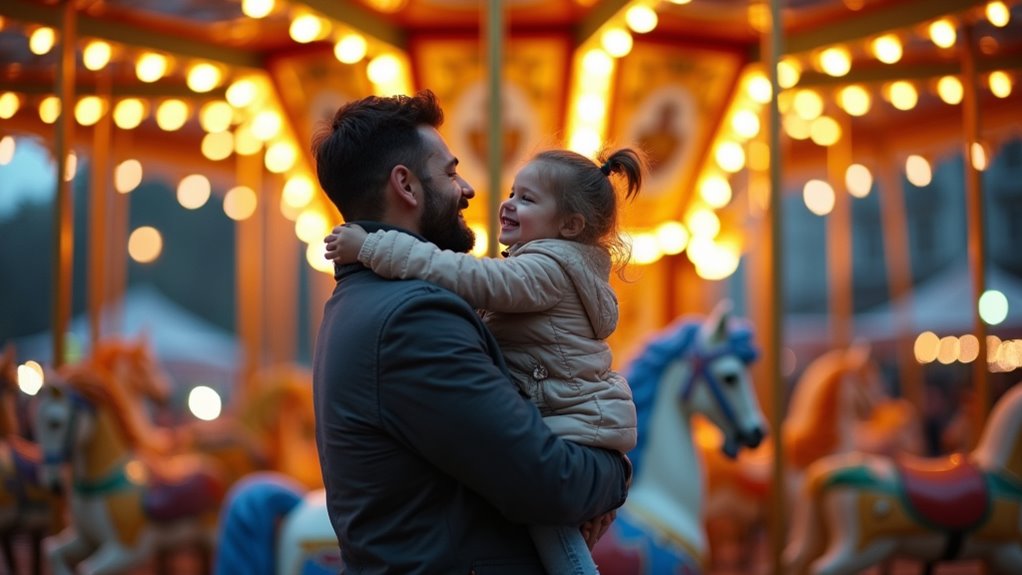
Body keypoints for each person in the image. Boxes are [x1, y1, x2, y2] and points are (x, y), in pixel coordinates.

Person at [311, 89, 631, 575]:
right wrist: (614, 473)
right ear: (406, 185)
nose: (469, 190)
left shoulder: (364, 302)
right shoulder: (413, 320)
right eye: (450, 173)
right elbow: (547, 483)